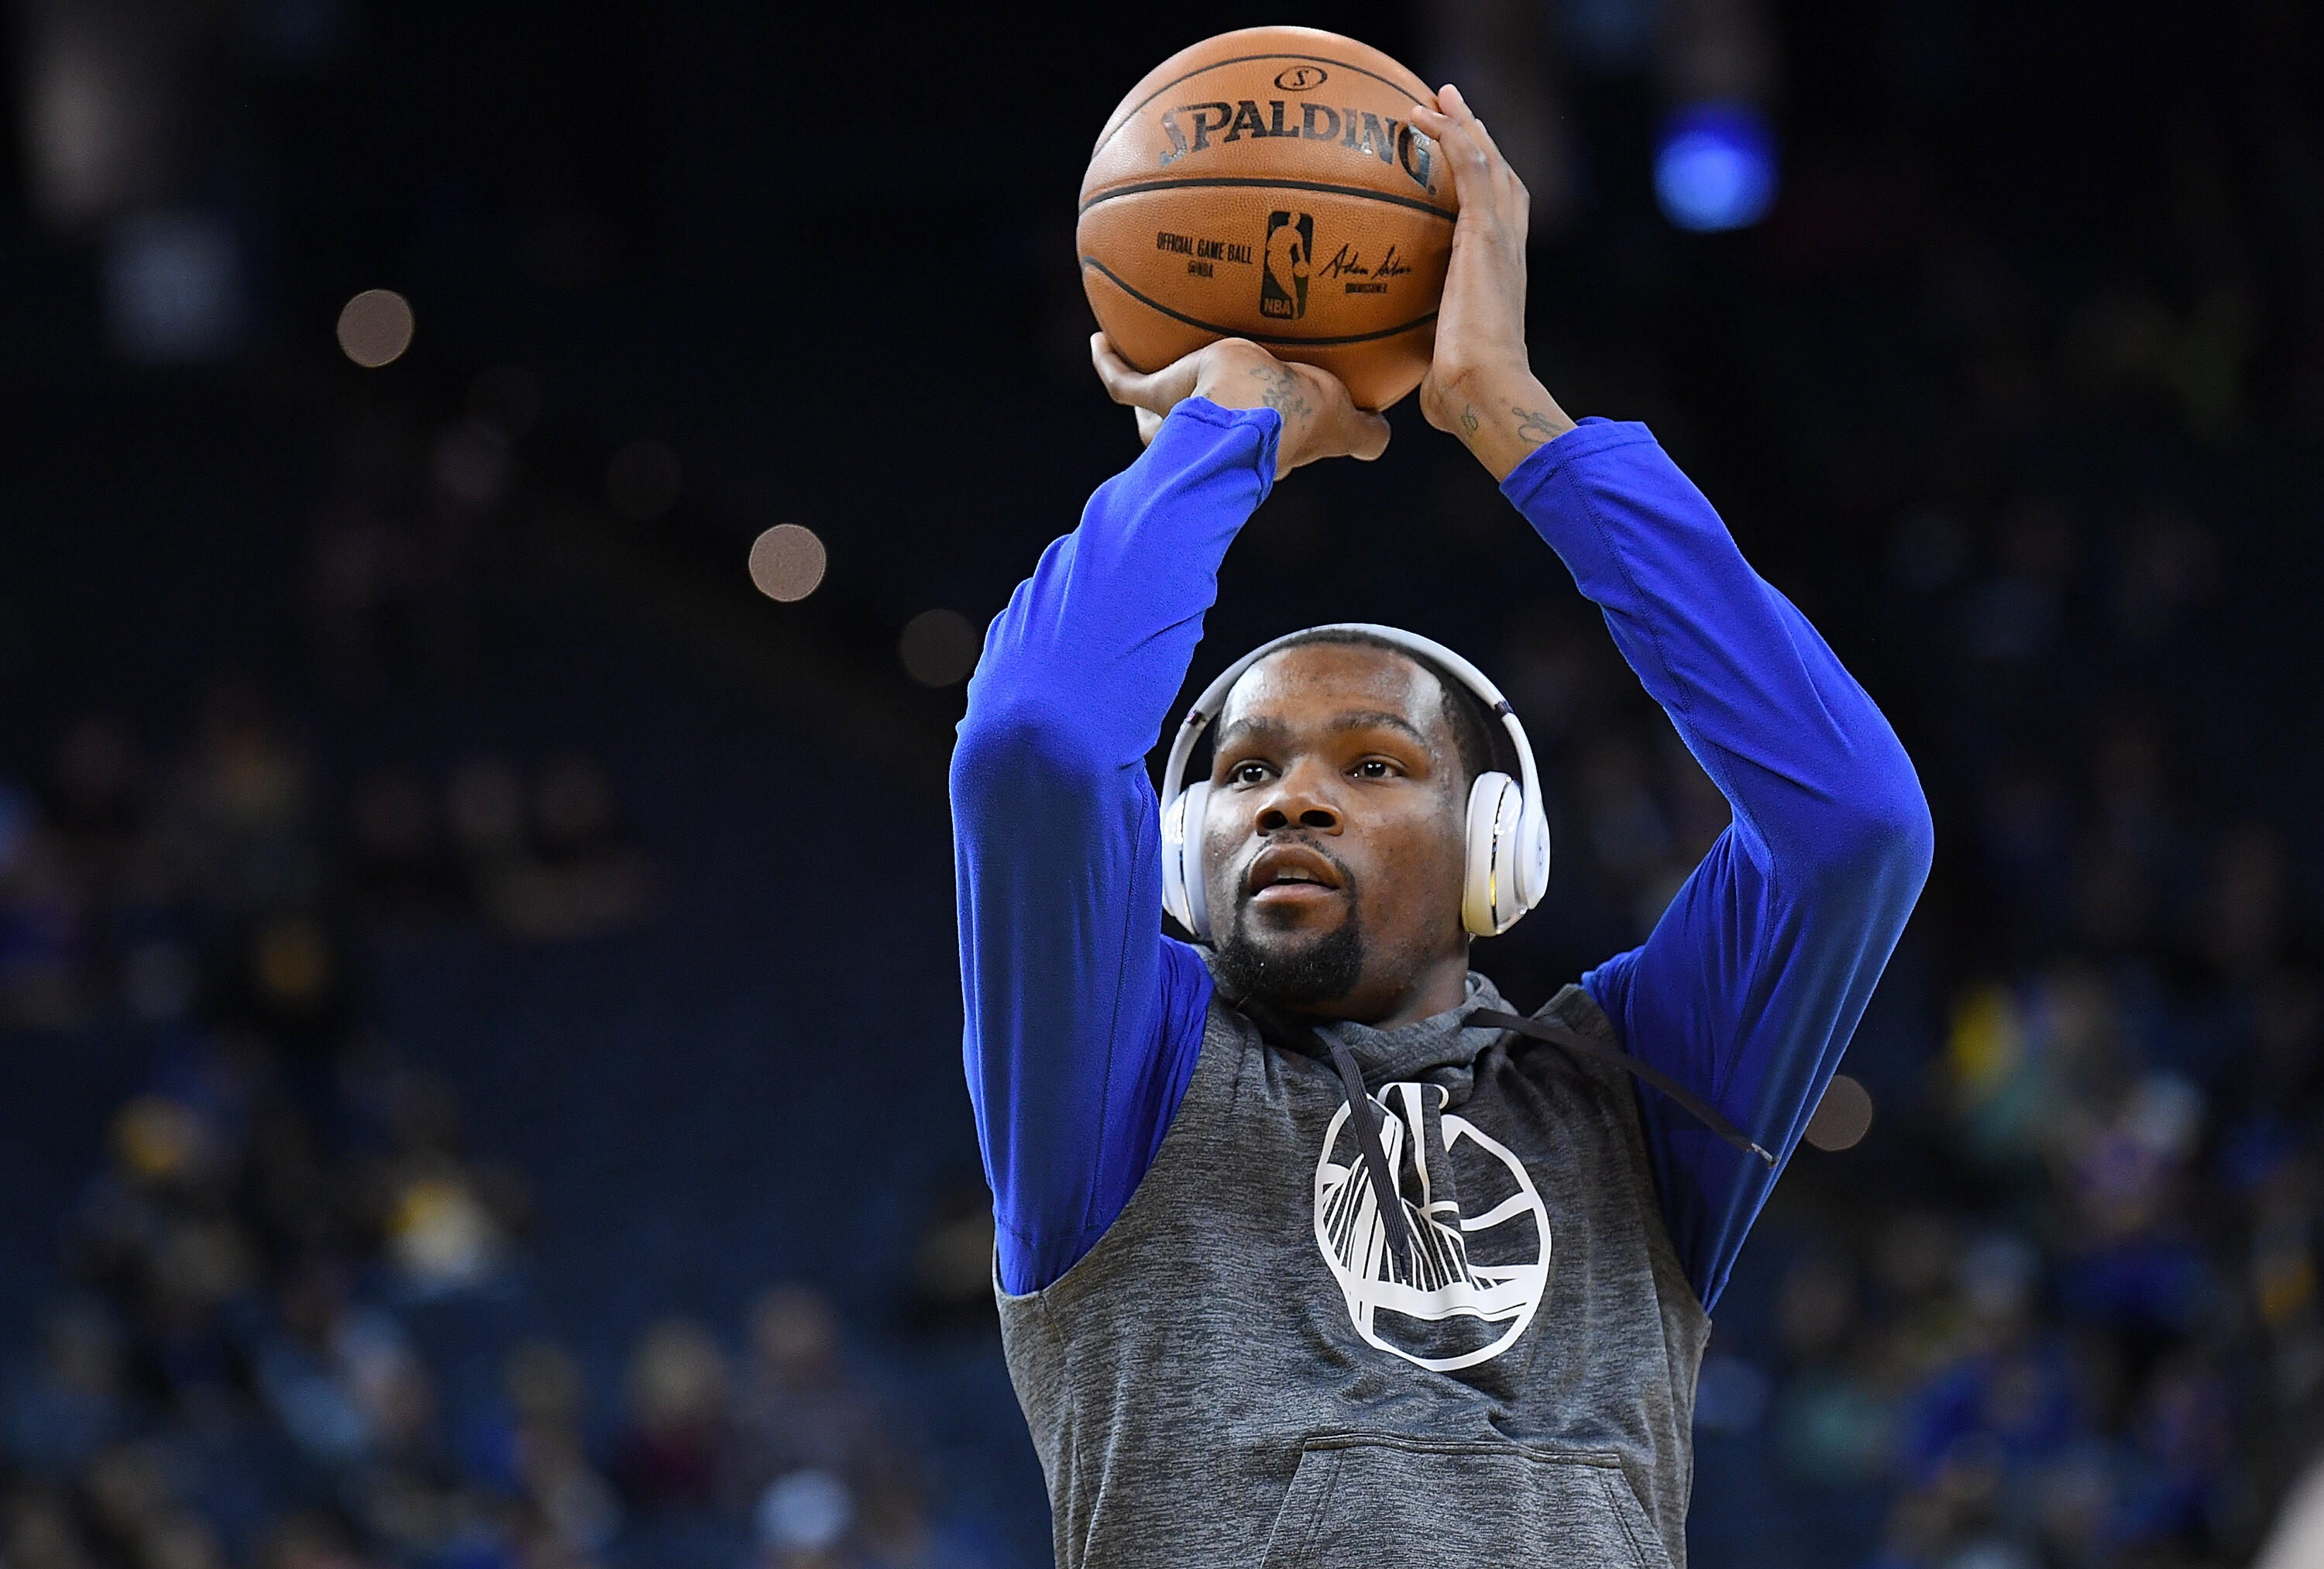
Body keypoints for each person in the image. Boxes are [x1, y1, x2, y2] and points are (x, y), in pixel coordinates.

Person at [950, 84, 1933, 1568]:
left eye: (1373, 765)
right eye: (1240, 772)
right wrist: (1226, 430)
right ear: (1177, 860)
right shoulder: (1115, 1076)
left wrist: (1508, 415)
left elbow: (1854, 823)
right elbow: (1035, 742)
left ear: (1498, 843)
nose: (1291, 793)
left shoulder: (1634, 1094)